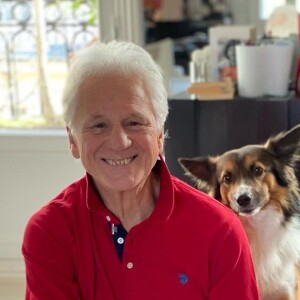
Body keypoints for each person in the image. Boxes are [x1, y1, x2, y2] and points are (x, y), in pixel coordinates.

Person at [22, 40, 260, 300]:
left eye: (134, 122)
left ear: (159, 135)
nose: (119, 142)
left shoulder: (221, 231)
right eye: (99, 125)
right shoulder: (49, 232)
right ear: (73, 140)